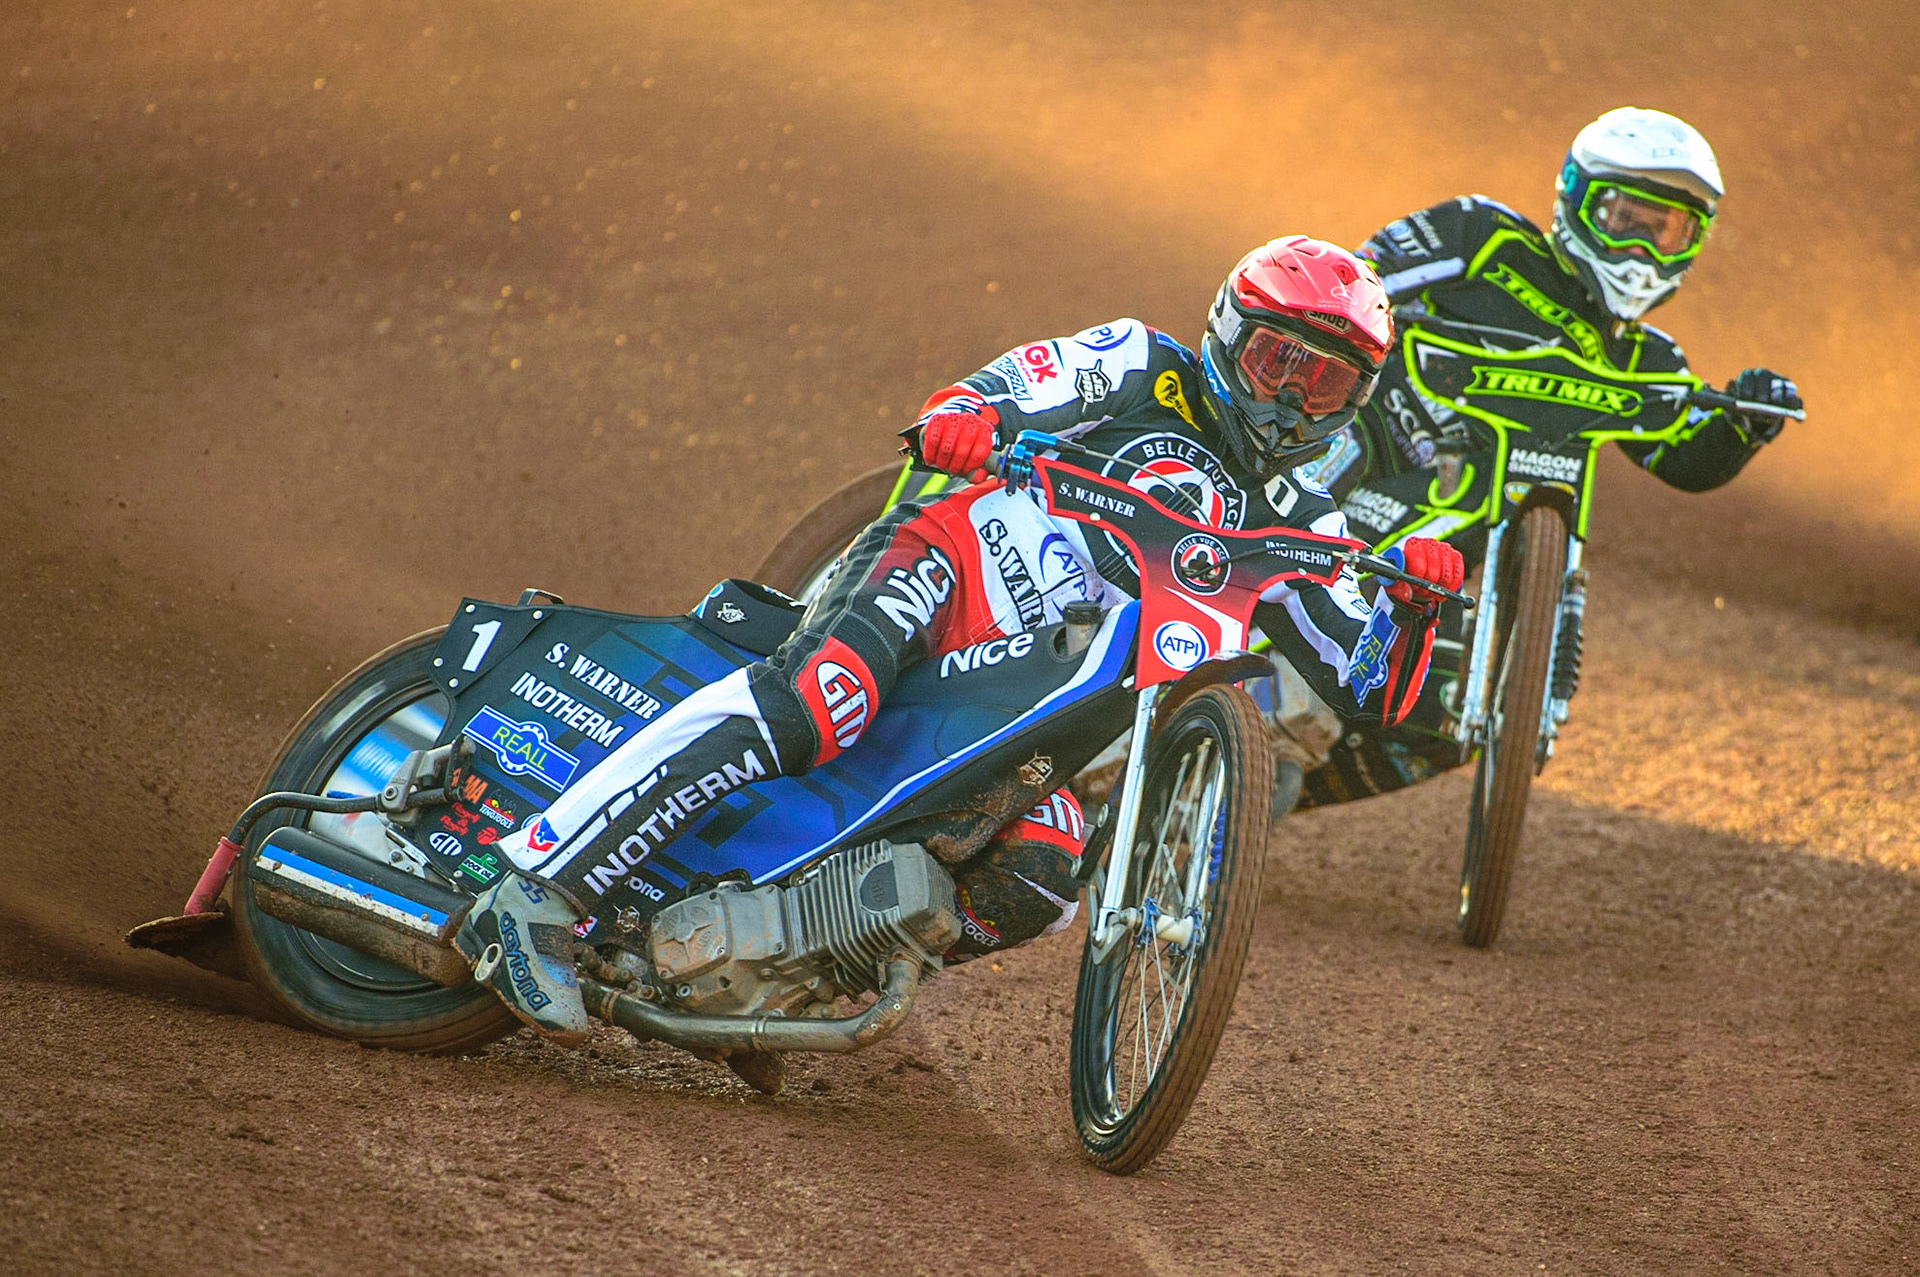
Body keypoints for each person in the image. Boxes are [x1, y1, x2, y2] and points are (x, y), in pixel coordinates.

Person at [456, 235, 1466, 1042]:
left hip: (1041, 703)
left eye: (1324, 384)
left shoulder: (1308, 523)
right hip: (947, 570)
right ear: (1229, 335)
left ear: (1355, 402)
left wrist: (1417, 603)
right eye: (1279, 361)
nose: (1290, 397)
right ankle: (535, 884)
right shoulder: (1142, 363)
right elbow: (1022, 382)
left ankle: (783, 978)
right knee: (818, 699)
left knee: (1044, 870)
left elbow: (1371, 685)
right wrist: (967, 414)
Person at [1277, 106, 1805, 808]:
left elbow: (1682, 458)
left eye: (1665, 231)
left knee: (1450, 717)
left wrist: (1744, 424)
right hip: (1364, 451)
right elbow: (1352, 284)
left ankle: (1251, 788)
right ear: (1577, 201)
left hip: (1444, 558)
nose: (1640, 250)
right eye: (1625, 219)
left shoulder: (1647, 361)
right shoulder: (1482, 237)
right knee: (1304, 489)